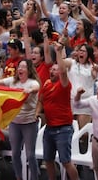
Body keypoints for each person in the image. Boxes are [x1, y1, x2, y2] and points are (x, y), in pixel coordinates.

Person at [0, 59, 40, 180]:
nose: (20, 69)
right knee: (15, 154)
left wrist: (29, 91)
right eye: (19, 67)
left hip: (29, 124)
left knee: (30, 155)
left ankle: (34, 177)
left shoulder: (32, 82)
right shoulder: (12, 81)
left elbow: (36, 87)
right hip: (15, 123)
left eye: (23, 67)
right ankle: (18, 177)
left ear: (29, 70)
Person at [36, 50, 79, 180]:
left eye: (55, 70)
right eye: (51, 70)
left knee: (65, 161)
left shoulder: (64, 84)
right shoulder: (47, 84)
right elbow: (41, 100)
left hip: (63, 128)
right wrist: (37, 112)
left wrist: (59, 52)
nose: (52, 71)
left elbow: (64, 71)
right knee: (48, 159)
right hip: (49, 127)